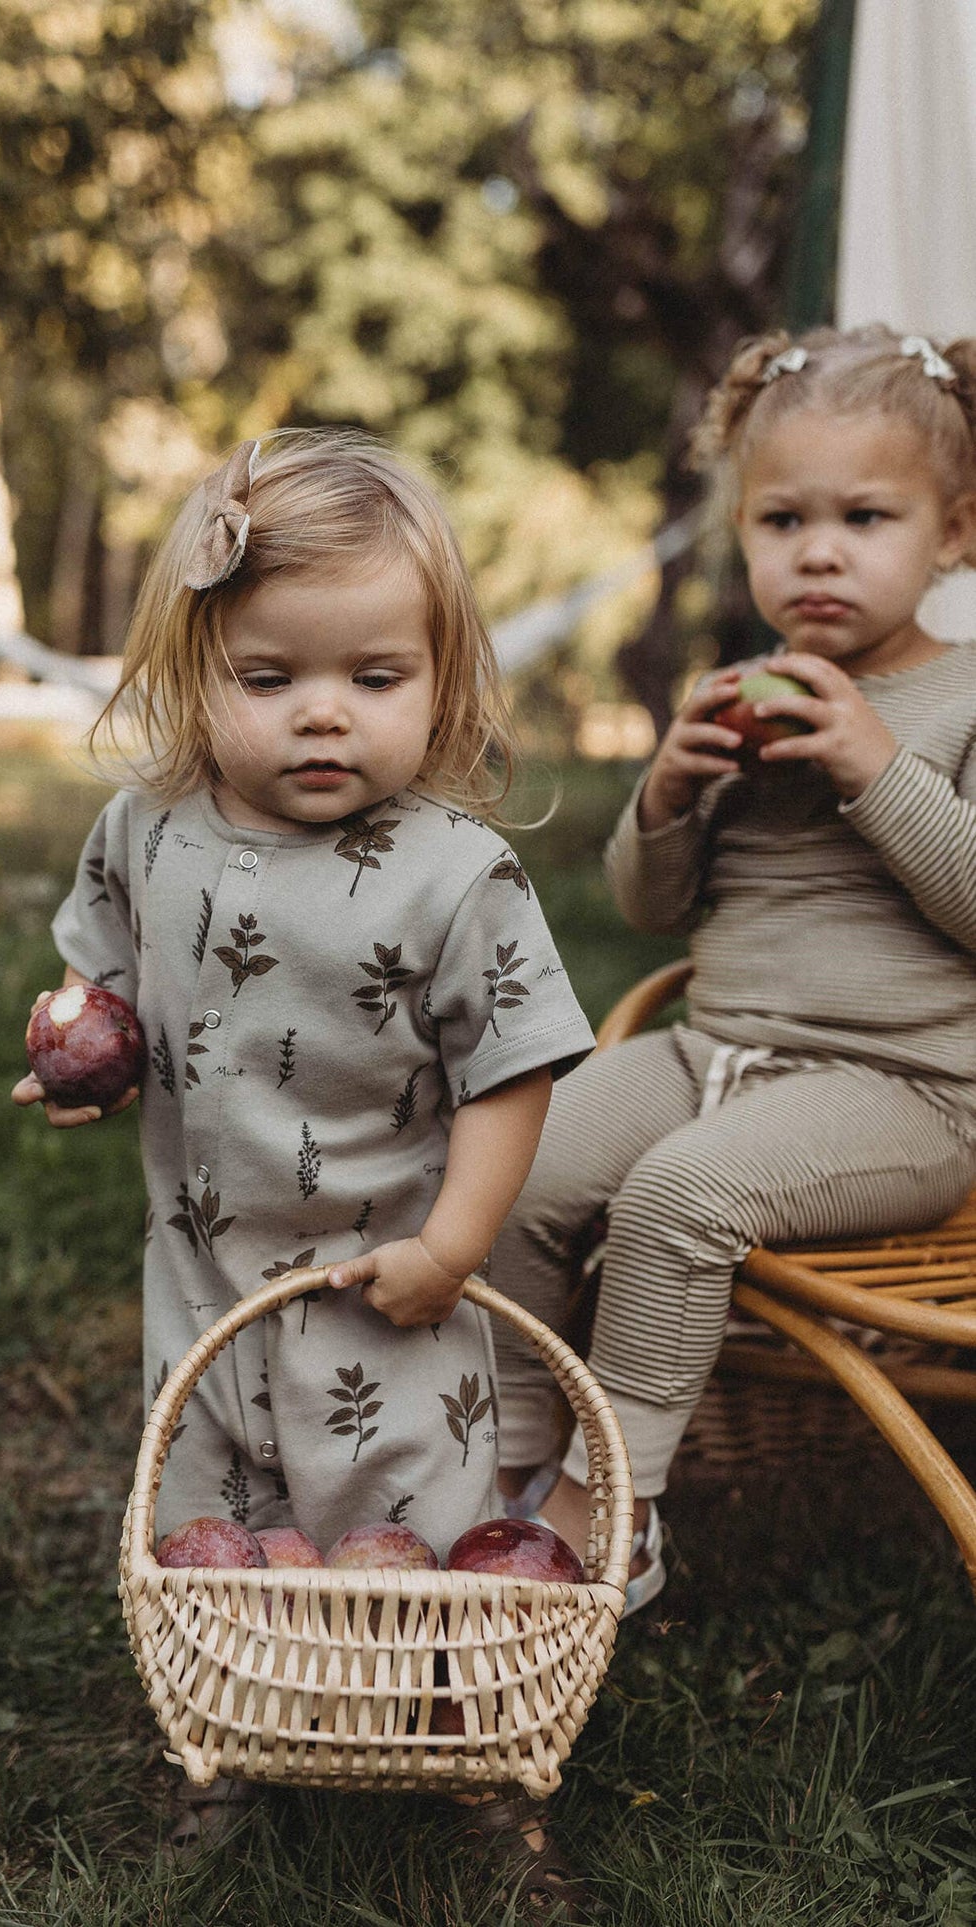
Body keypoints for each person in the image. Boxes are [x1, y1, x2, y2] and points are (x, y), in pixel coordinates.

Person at [16, 429, 592, 1573]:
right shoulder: (150, 825)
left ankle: (412, 1709)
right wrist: (87, 1052)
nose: (322, 713)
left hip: (385, 1280)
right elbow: (105, 979)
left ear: (442, 677)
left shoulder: (456, 872)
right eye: (267, 678)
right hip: (199, 1274)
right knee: (211, 1515)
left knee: (402, 1514)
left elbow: (511, 1064)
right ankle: (242, 1703)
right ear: (193, 672)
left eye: (374, 679)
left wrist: (455, 1243)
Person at [489, 324, 976, 1613]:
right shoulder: (735, 690)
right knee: (512, 1165)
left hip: (907, 1090)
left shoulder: (964, 699)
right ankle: (506, 1471)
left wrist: (878, 768)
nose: (817, 550)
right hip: (716, 1049)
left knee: (675, 1198)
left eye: (865, 516)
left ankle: (618, 1505)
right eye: (780, 519)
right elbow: (652, 912)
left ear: (953, 534)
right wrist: (663, 795)